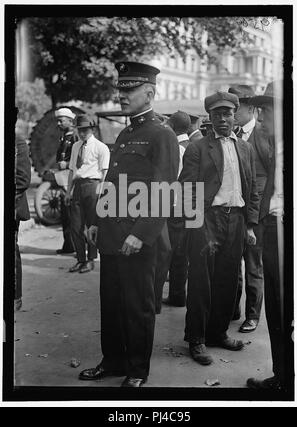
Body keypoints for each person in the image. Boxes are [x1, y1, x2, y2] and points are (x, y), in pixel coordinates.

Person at [78, 61, 179, 387]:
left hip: (137, 238)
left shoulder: (161, 134)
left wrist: (141, 234)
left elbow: (165, 192)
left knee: (138, 306)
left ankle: (137, 370)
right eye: (120, 89)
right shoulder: (126, 132)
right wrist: (96, 221)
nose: (122, 95)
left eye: (129, 89)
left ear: (149, 92)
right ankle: (114, 360)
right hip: (111, 235)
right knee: (111, 302)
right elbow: (112, 183)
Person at [179, 91, 259, 366]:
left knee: (228, 280)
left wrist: (250, 224)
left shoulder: (245, 148)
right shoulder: (197, 148)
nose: (222, 119)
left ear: (234, 115)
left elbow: (252, 189)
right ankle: (197, 339)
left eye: (227, 114)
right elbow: (187, 189)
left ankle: (218, 333)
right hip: (207, 220)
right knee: (202, 281)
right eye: (216, 115)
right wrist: (195, 226)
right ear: (209, 118)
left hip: (235, 220)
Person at [247, 81, 286, 390]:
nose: (261, 119)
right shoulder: (278, 146)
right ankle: (283, 377)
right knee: (276, 308)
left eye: (267, 111)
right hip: (273, 230)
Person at [228, 85, 270, 333]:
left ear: (250, 108)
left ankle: (252, 315)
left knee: (253, 264)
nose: (232, 113)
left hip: (256, 212)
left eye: (236, 108)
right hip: (235, 211)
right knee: (233, 263)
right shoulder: (233, 134)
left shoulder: (262, 134)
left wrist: (257, 214)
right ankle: (233, 308)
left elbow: (268, 176)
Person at [66, 115, 110, 273]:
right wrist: (68, 191)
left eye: (85, 130)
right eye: (80, 130)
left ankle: (91, 259)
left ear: (92, 129)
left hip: (93, 186)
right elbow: (72, 170)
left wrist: (102, 194)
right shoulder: (76, 146)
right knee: (76, 226)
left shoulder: (101, 147)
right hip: (78, 186)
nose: (83, 133)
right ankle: (80, 259)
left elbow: (105, 173)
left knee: (92, 225)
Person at [160, 110, 191, 308]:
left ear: (171, 125)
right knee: (181, 252)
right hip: (187, 205)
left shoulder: (175, 148)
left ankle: (174, 296)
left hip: (173, 205)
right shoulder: (194, 146)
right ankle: (178, 294)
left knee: (169, 251)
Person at [54, 107, 78, 255]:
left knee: (72, 214)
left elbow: (81, 158)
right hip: (63, 179)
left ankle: (75, 245)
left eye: (61, 120)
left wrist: (67, 164)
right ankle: (68, 245)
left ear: (70, 121)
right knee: (65, 214)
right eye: (58, 120)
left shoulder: (75, 136)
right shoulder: (64, 137)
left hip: (72, 180)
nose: (59, 123)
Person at [15, 118, 31, 311]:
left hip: (11, 206)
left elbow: (22, 179)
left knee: (10, 251)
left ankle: (15, 297)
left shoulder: (18, 143)